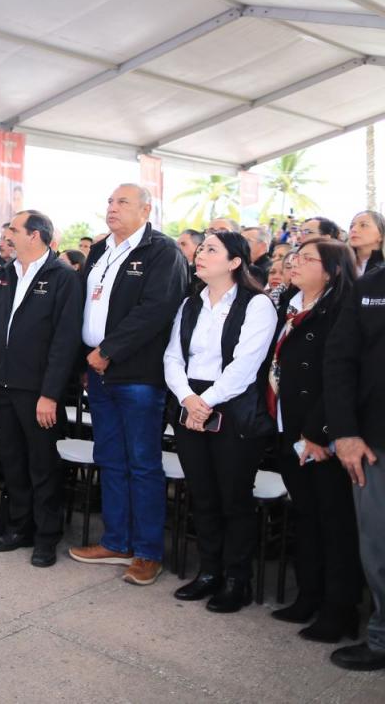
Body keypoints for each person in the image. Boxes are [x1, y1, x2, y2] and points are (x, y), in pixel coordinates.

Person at [69, 185, 187, 586]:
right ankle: (116, 541)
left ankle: (148, 552)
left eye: (122, 202)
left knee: (142, 463)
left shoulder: (162, 251)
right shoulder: (101, 249)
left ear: (146, 210)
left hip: (137, 375)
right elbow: (86, 305)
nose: (112, 208)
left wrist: (108, 350)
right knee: (110, 458)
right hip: (99, 374)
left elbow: (157, 310)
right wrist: (85, 360)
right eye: (109, 201)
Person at [163, 231, 278, 612]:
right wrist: (188, 399)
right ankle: (209, 571)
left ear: (234, 262)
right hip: (190, 400)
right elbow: (173, 357)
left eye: (211, 249)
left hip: (233, 406)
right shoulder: (190, 303)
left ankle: (236, 579)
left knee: (234, 497)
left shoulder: (256, 305)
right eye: (201, 249)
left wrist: (206, 402)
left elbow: (246, 365)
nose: (200, 254)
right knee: (203, 494)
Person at [0, 210, 83, 566]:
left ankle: (46, 537)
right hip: (0, 387)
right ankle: (20, 528)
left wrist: (50, 394)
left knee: (42, 465)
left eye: (14, 230)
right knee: (12, 461)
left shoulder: (63, 278)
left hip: (37, 392)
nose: (7, 236)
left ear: (35, 235)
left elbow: (65, 341)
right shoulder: (3, 276)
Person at [266, 239, 363, 642]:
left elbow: (338, 375)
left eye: (307, 259)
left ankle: (339, 610)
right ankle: (308, 595)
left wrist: (317, 432)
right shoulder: (288, 305)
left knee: (335, 523)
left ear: (332, 270)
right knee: (305, 517)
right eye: (295, 257)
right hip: (288, 426)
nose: (295, 263)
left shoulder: (341, 308)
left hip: (320, 433)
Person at [324, 248, 385, 671]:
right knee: (378, 547)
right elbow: (339, 363)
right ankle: (381, 639)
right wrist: (344, 433)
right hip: (374, 445)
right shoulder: (369, 288)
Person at [347, 210, 385, 276]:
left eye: (363, 225)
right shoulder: (340, 264)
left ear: (381, 235)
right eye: (351, 226)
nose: (353, 229)